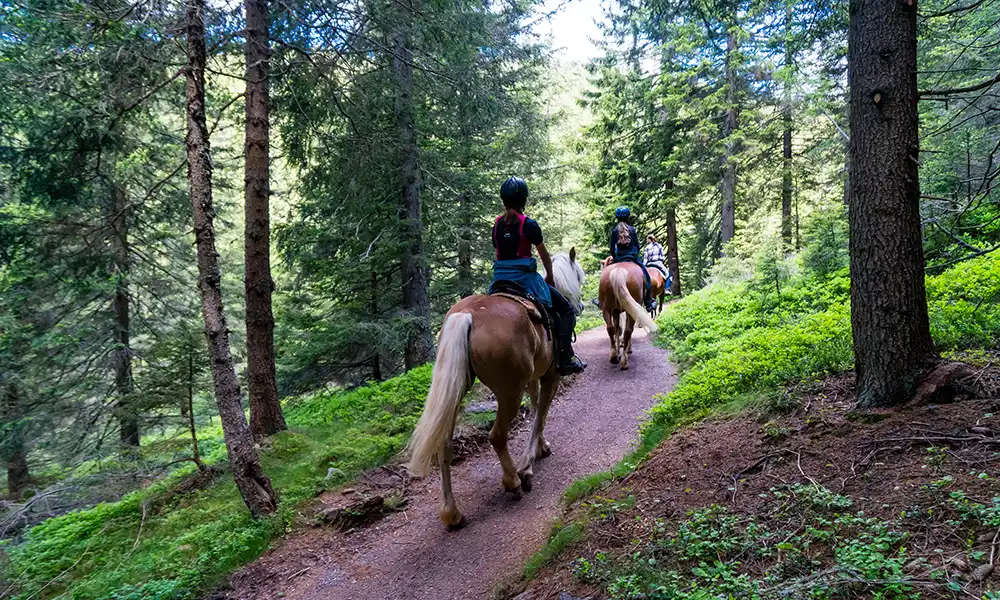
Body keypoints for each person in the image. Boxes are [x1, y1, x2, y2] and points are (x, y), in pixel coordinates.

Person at [489, 176, 586, 375]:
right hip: (525, 280)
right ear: (524, 199)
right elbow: (544, 256)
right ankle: (565, 359)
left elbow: (498, 249)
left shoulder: (497, 225)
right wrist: (549, 276)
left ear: (503, 200)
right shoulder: (529, 224)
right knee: (566, 310)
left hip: (499, 281)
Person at [609, 206, 655, 312]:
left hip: (619, 258)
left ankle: (601, 299)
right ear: (628, 217)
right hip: (632, 258)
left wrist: (615, 257)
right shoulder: (632, 230)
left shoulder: (614, 231)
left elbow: (612, 248)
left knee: (605, 275)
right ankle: (648, 302)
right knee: (646, 276)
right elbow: (637, 247)